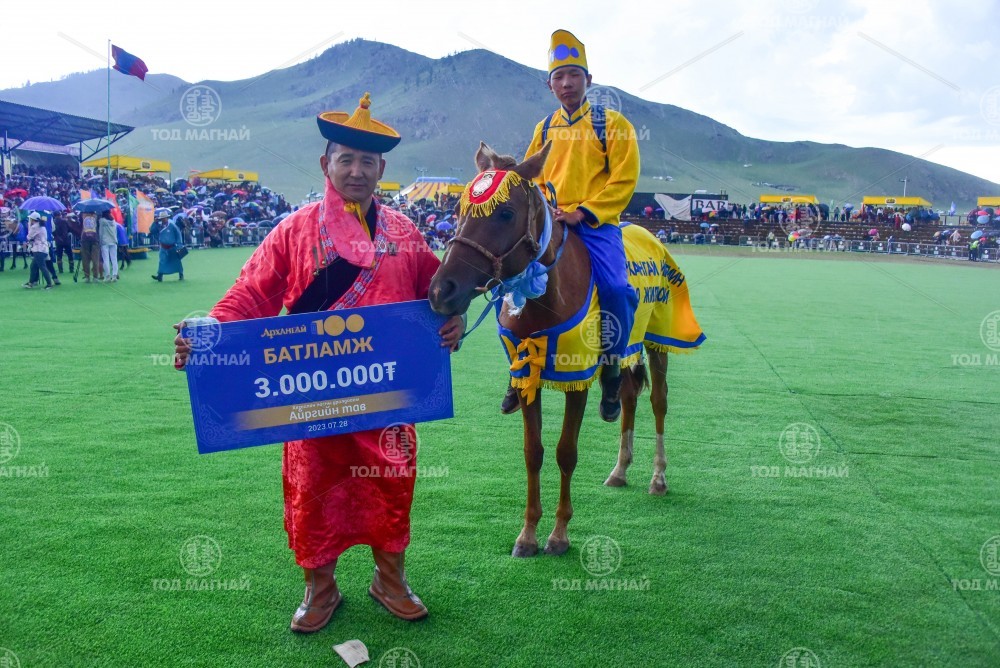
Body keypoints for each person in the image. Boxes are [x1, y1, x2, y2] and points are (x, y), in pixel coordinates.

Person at [172, 93, 464, 634]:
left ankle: (390, 580)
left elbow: (437, 294)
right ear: (325, 163)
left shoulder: (404, 233)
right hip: (309, 397)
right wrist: (210, 332)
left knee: (391, 484)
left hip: (385, 394)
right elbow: (250, 294)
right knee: (314, 488)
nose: (356, 171)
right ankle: (320, 589)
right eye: (345, 159)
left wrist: (454, 319)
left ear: (382, 170)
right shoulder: (294, 230)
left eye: (367, 161)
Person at [501, 29, 640, 422]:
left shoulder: (612, 124)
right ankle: (518, 370)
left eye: (574, 75)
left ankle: (611, 369)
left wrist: (585, 212)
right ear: (550, 85)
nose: (566, 83)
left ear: (589, 80)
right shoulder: (544, 129)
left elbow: (624, 180)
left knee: (616, 289)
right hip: (550, 222)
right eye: (558, 77)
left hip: (596, 225)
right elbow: (530, 177)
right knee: (513, 285)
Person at [23, 212, 54, 290]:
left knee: (42, 267)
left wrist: (29, 227)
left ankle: (49, 284)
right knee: (33, 266)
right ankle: (31, 282)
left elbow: (29, 237)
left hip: (38, 249)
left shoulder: (35, 227)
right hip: (43, 248)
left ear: (32, 219)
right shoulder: (42, 226)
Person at [152, 211, 184, 281]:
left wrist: (179, 245)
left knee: (177, 261)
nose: (163, 219)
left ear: (167, 218)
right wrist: (154, 223)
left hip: (172, 247)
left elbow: (178, 235)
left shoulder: (172, 225)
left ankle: (181, 274)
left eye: (164, 218)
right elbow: (152, 231)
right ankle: (160, 276)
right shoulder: (159, 226)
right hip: (163, 247)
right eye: (162, 218)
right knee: (162, 261)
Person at [79, 211, 101, 283]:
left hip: (84, 239)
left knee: (85, 260)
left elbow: (80, 226)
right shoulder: (97, 216)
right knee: (95, 259)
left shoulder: (82, 215)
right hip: (95, 239)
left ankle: (87, 277)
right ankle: (95, 277)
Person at [99, 212, 118, 282]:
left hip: (105, 241)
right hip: (113, 241)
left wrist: (100, 241)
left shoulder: (102, 221)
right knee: (114, 259)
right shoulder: (113, 221)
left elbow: (100, 232)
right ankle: (114, 275)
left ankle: (107, 276)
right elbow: (115, 231)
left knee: (106, 259)